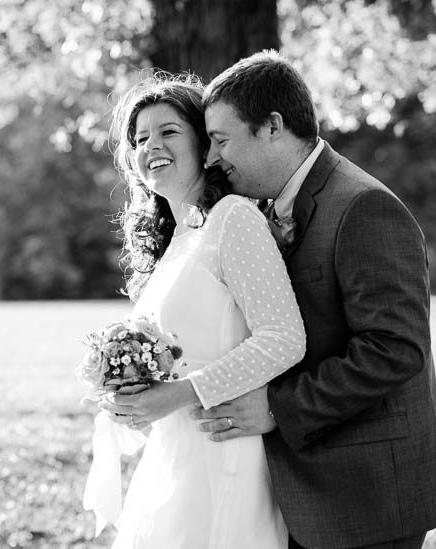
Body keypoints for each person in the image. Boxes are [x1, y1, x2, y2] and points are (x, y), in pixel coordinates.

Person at [194, 49, 436, 549]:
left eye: (220, 139)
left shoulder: (363, 206)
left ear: (273, 126)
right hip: (303, 497)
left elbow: (395, 348)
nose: (212, 158)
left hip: (365, 500)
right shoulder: (261, 210)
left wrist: (280, 409)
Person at [84, 71, 306, 548]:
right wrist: (132, 396)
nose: (151, 146)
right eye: (140, 138)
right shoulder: (179, 238)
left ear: (205, 146)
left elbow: (284, 338)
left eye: (168, 132)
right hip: (172, 458)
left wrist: (181, 394)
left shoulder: (234, 219)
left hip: (222, 455)